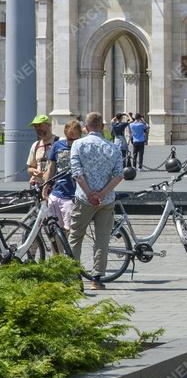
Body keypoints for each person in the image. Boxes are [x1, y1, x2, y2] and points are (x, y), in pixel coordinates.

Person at [67, 113, 124, 291]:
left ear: (86, 127)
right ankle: (96, 279)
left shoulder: (78, 144)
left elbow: (77, 172)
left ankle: (74, 277)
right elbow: (119, 175)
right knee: (102, 239)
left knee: (76, 237)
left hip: (84, 199)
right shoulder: (113, 147)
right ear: (102, 127)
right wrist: (102, 193)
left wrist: (90, 193)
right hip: (106, 200)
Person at [43, 120, 83, 232]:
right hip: (56, 193)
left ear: (80, 135)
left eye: (75, 139)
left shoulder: (82, 147)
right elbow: (51, 168)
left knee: (69, 230)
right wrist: (45, 186)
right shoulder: (57, 146)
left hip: (73, 196)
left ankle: (67, 250)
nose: (72, 142)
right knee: (54, 230)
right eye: (70, 138)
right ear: (65, 134)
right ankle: (57, 251)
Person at [26, 115, 57, 187]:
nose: (37, 128)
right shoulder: (35, 145)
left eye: (40, 125)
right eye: (35, 126)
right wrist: (34, 171)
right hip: (38, 186)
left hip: (56, 187)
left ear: (49, 125)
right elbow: (30, 168)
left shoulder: (59, 142)